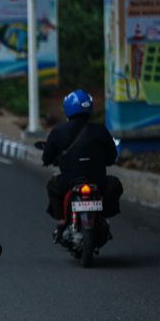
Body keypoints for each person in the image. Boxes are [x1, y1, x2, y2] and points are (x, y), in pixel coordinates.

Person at [41, 89, 123, 236]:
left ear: (67, 108)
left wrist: (49, 161)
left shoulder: (58, 131)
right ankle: (103, 216)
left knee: (52, 186)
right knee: (115, 185)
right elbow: (112, 156)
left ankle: (61, 219)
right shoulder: (100, 130)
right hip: (97, 180)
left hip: (69, 180)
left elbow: (47, 157)